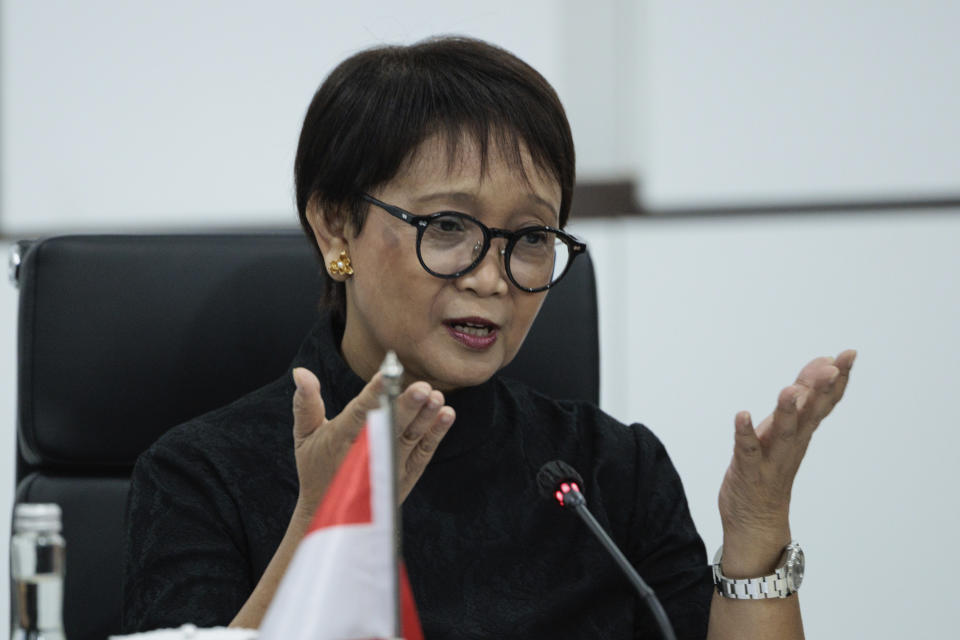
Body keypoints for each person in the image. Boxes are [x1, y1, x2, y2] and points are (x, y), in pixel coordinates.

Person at [122, 36, 855, 639]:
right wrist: (320, 522)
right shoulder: (204, 475)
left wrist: (757, 528)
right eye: (448, 227)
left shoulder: (607, 477)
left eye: (530, 236)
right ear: (334, 225)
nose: (493, 277)